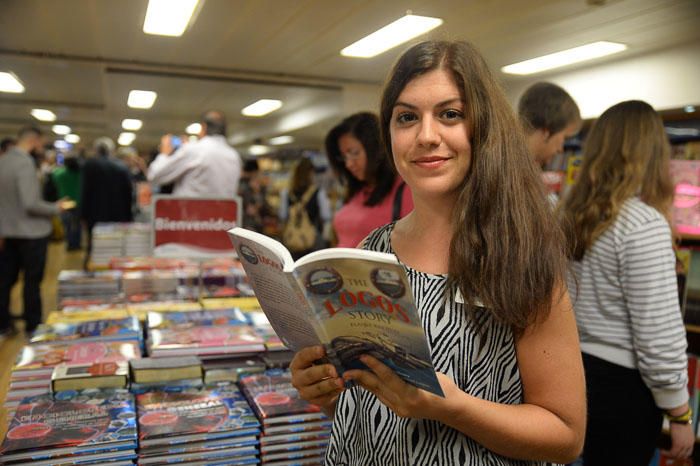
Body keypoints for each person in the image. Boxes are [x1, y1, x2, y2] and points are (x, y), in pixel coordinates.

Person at [291, 40, 586, 465]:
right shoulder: (370, 252)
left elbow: (565, 434)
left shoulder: (520, 257)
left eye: (450, 114)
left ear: (482, 127)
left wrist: (453, 407)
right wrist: (323, 390)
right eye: (407, 117)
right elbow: (368, 411)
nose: (427, 137)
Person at [560, 100, 694, 464]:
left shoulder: (572, 213)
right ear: (651, 153)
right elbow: (658, 335)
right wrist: (680, 413)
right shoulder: (642, 224)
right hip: (623, 392)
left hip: (570, 373)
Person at [0, 126, 66, 335]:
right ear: (34, 140)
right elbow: (30, 203)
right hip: (31, 233)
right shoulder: (25, 163)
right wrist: (56, 207)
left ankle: (3, 322)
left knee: (6, 280)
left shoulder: (3, 161)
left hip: (9, 232)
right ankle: (33, 325)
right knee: (32, 281)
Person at [325, 112, 414, 248]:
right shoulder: (358, 190)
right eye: (344, 157)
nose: (348, 164)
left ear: (376, 149)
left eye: (354, 153)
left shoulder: (406, 189)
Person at [147, 111, 242, 197]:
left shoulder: (193, 150)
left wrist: (164, 153)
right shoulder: (234, 156)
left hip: (190, 214)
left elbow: (154, 175)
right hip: (222, 215)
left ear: (203, 127)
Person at [80, 137, 134, 268]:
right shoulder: (122, 167)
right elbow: (129, 194)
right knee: (115, 247)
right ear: (111, 150)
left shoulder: (89, 165)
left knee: (94, 246)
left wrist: (82, 214)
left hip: (94, 215)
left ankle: (92, 273)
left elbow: (85, 191)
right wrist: (129, 217)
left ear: (96, 150)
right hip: (118, 215)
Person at [518, 82, 581, 168]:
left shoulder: (513, 163)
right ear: (546, 132)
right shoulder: (511, 171)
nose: (560, 149)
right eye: (564, 138)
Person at [279, 157, 331, 259]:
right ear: (310, 173)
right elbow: (326, 216)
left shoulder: (287, 193)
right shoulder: (318, 193)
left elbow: (282, 215)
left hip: (291, 241)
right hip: (313, 243)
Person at [45, 152, 83, 250]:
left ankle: (70, 243)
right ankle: (77, 243)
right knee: (78, 224)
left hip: (65, 202)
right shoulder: (80, 174)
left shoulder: (60, 173)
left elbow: (51, 175)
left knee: (67, 224)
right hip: (78, 202)